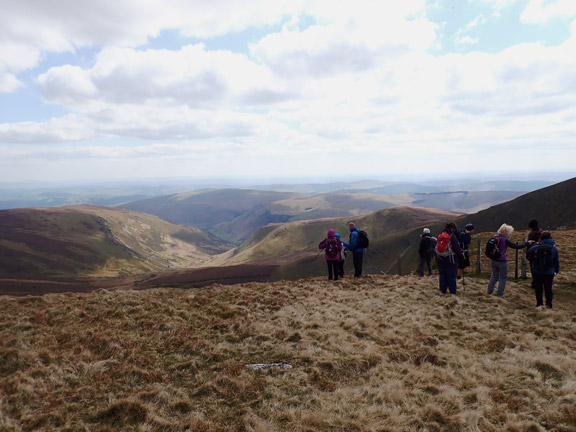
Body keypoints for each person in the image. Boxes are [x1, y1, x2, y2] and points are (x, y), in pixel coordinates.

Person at [487, 223, 529, 297]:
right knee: (503, 277)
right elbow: (516, 246)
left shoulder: (495, 237)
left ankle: (489, 291)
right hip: (502, 261)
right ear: (507, 232)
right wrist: (527, 243)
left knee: (494, 275)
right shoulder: (505, 240)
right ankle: (500, 293)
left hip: (493, 260)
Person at [527, 231, 560, 308]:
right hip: (549, 272)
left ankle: (539, 304)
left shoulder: (537, 246)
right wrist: (556, 270)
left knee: (539, 289)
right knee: (548, 288)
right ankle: (549, 304)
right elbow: (556, 260)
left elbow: (529, 252)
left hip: (537, 271)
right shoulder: (554, 248)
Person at [435, 222, 462, 294]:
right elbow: (457, 248)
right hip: (450, 260)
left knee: (442, 276)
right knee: (451, 277)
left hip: (440, 260)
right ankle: (453, 292)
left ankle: (442, 291)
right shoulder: (452, 237)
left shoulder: (440, 236)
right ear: (452, 228)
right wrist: (461, 256)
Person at [527, 219, 543, 288]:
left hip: (533, 255)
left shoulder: (532, 234)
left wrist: (528, 255)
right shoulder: (541, 232)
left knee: (534, 269)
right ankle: (541, 283)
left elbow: (529, 245)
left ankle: (535, 283)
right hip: (542, 253)